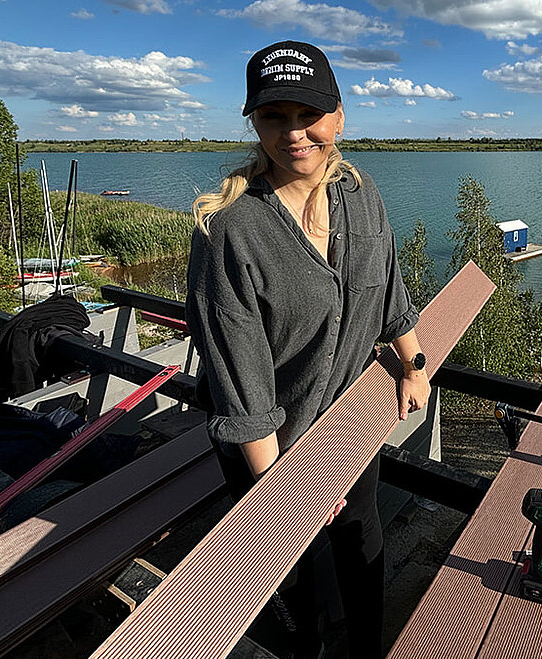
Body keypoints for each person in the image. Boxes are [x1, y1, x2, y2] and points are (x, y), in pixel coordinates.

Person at [185, 40, 430, 659]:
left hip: (347, 424)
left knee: (361, 543)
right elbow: (242, 388)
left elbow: (388, 285)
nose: (294, 133)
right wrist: (285, 495)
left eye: (308, 114)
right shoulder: (230, 231)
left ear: (339, 116)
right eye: (274, 116)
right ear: (254, 123)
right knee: (286, 585)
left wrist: (412, 360)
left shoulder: (360, 192)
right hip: (267, 449)